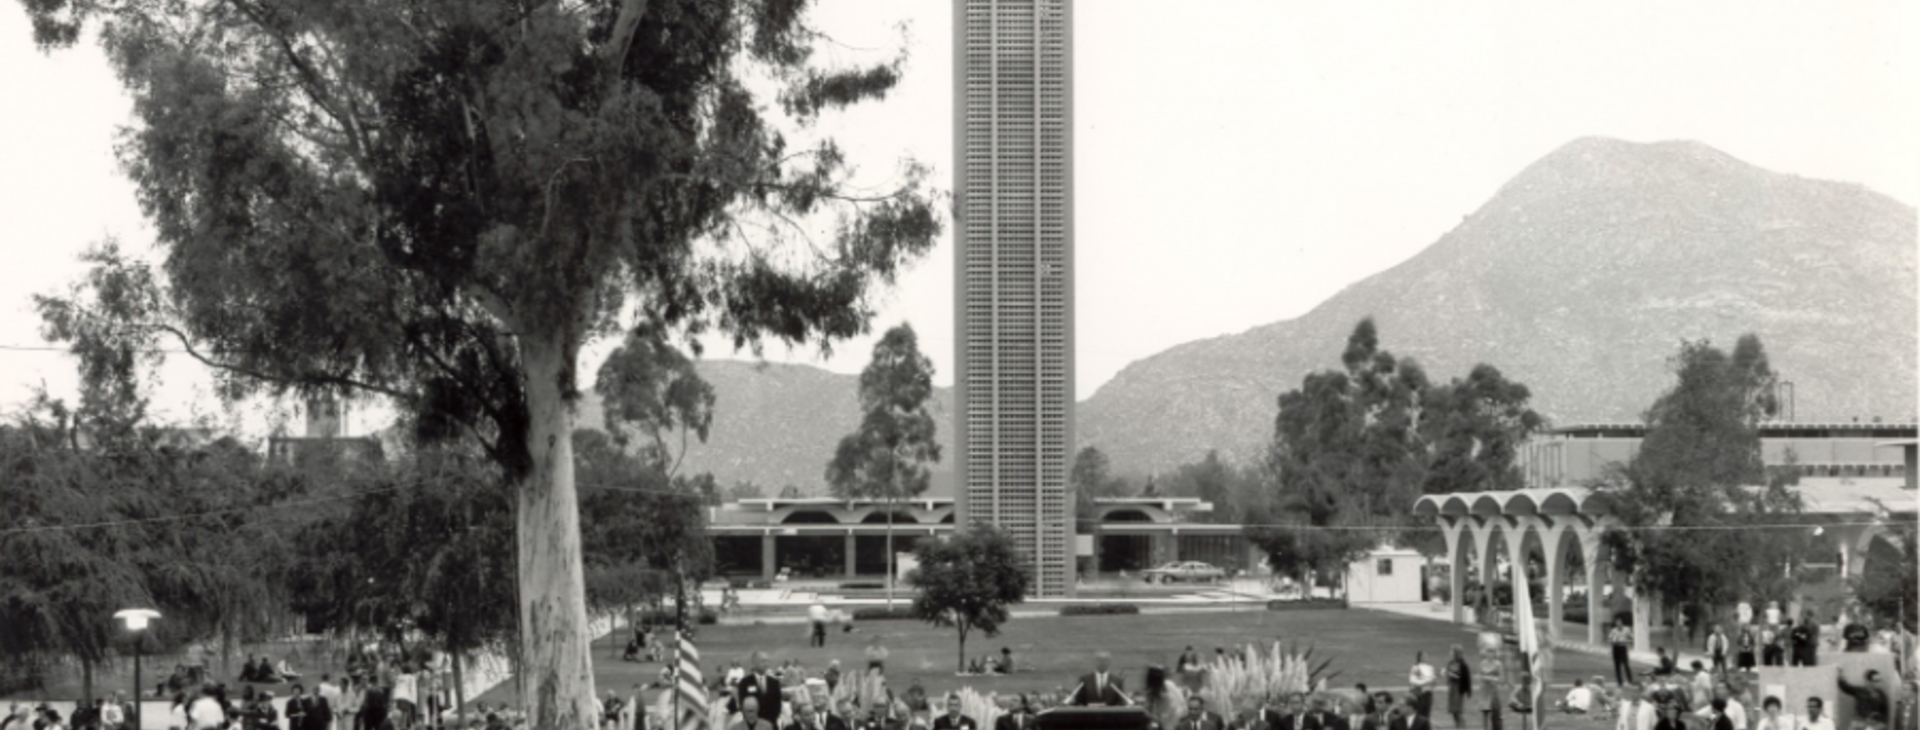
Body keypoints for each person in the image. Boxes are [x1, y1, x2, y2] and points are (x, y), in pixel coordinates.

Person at [732, 653, 784, 726]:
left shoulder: (774, 683)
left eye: (767, 661)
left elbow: (777, 705)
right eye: (763, 661)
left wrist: (768, 723)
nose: (766, 664)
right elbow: (743, 705)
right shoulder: (745, 683)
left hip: (771, 724)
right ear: (754, 663)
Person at [1444, 646, 1472, 728]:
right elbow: (1448, 673)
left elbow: (1465, 677)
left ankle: (1462, 727)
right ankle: (1457, 726)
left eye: (1452, 651)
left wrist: (1468, 690)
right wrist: (1448, 677)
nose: (1451, 653)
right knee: (1453, 711)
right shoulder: (1450, 662)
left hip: (1459, 688)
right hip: (1452, 688)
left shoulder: (1462, 664)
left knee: (1458, 711)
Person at [1407, 653, 1435, 720]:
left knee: (1427, 712)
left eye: (1427, 656)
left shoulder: (1430, 668)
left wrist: (1432, 683)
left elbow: (1432, 681)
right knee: (1419, 712)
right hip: (1419, 693)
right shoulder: (1415, 667)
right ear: (1420, 658)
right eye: (1424, 656)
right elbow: (1412, 681)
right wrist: (1424, 682)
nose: (1426, 657)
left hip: (1428, 693)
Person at [1610, 620, 1636, 686]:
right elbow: (1610, 638)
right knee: (1617, 665)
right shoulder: (1614, 630)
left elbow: (1632, 638)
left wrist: (1625, 641)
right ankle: (1619, 682)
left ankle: (1630, 680)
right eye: (1617, 624)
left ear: (1622, 624)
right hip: (1616, 648)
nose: (1618, 625)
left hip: (1623, 647)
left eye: (1619, 624)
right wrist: (1613, 640)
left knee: (1626, 665)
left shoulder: (1626, 630)